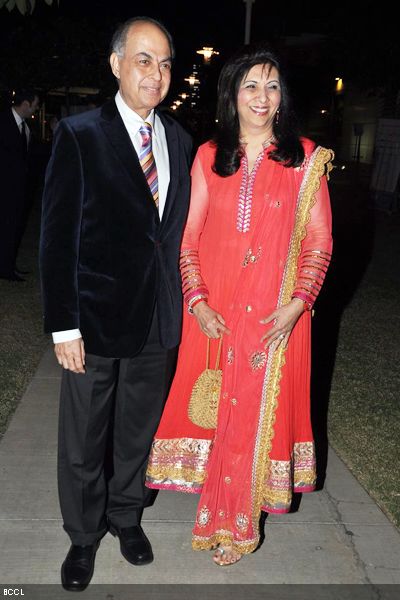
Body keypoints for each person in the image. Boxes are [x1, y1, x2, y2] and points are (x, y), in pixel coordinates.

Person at [146, 43, 333, 566]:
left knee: (254, 416)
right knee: (219, 411)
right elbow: (187, 237)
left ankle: (237, 524)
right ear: (231, 94)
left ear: (282, 97)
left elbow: (319, 242)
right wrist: (198, 301)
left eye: (272, 86)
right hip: (217, 313)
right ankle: (220, 515)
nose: (262, 96)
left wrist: (299, 305)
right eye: (251, 84)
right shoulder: (209, 156)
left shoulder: (305, 159)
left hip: (276, 318)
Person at [39, 16, 192, 591]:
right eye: (144, 59)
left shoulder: (177, 139)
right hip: (94, 320)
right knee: (84, 439)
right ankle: (83, 536)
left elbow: (173, 234)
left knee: (139, 432)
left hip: (157, 318)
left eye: (165, 62)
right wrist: (63, 327)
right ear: (116, 64)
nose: (156, 73)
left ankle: (127, 517)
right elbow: (57, 239)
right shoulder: (80, 134)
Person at [0, 89, 40, 281]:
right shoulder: (3, 122)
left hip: (19, 192)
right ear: (25, 104)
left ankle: (8, 266)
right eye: (35, 104)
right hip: (5, 191)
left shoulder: (26, 127)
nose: (37, 108)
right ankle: (5, 268)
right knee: (6, 229)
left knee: (14, 230)